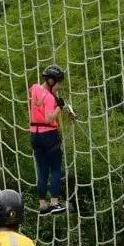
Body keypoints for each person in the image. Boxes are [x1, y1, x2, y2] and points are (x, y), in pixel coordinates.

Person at [28, 65, 74, 216]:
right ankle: (54, 203)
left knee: (42, 170)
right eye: (59, 83)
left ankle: (42, 205)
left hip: (35, 135)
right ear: (51, 81)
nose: (59, 86)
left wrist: (53, 96)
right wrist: (59, 107)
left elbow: (37, 99)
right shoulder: (48, 98)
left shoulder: (34, 89)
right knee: (55, 168)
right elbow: (49, 118)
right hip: (48, 135)